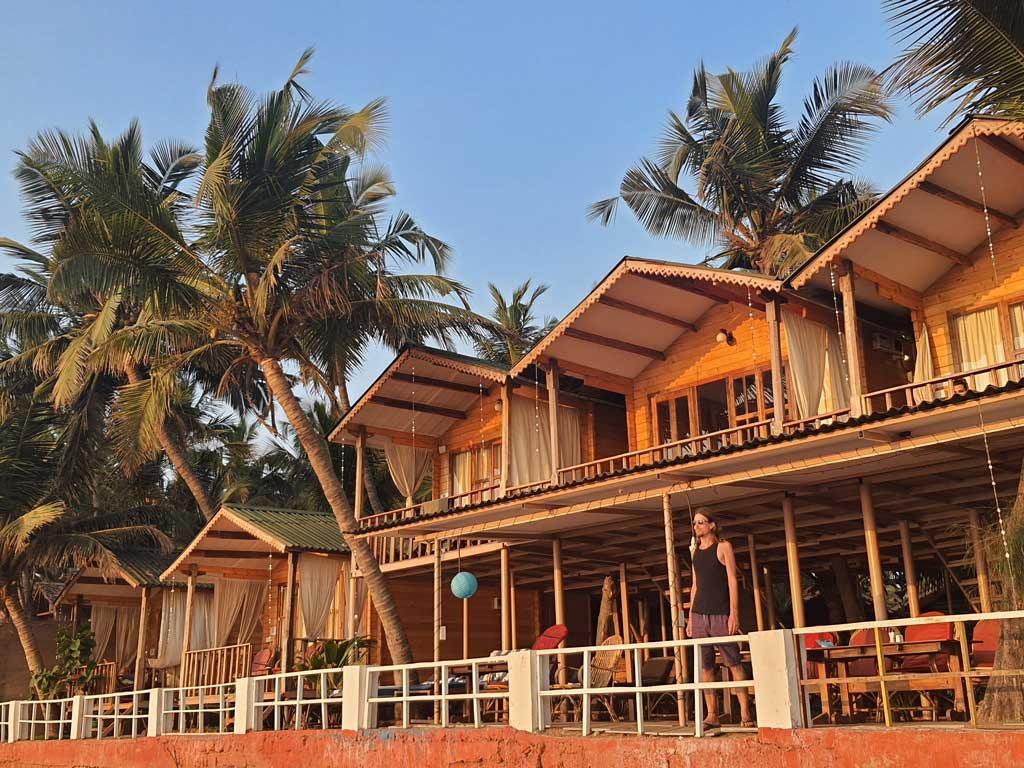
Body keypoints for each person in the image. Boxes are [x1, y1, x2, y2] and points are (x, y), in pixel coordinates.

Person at [686, 507, 753, 728]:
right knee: (705, 666)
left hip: (720, 613)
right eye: (695, 523)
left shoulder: (723, 547)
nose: (697, 527)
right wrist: (689, 617)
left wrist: (734, 613)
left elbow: (733, 579)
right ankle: (712, 714)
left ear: (712, 525)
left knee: (733, 661)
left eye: (701, 522)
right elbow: (695, 584)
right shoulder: (695, 552)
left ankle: (745, 712)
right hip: (699, 614)